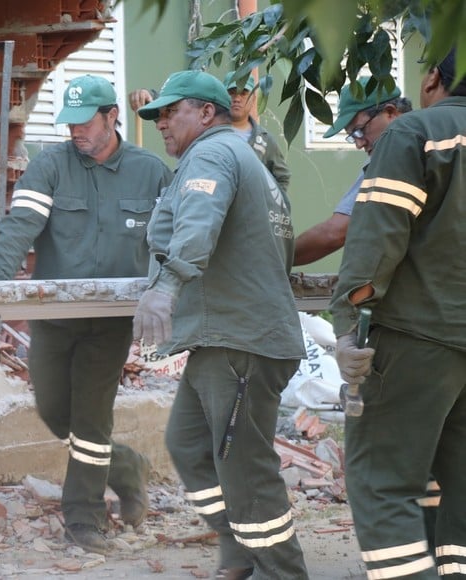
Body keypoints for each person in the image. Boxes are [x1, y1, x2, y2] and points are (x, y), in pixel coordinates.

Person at [0, 74, 174, 555]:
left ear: (112, 117)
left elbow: (175, 242)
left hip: (109, 325)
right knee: (53, 410)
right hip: (56, 318)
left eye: (85, 123)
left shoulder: (151, 174)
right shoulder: (50, 166)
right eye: (68, 125)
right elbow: (18, 226)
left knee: (89, 417)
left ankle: (84, 520)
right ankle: (127, 467)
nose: (75, 133)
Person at [133, 70, 308, 579]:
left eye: (171, 112)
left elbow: (196, 225)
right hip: (229, 338)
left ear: (206, 113)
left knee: (246, 472)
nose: (162, 122)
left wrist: (166, 288)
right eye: (158, 115)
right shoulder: (244, 159)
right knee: (188, 444)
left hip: (238, 343)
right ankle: (238, 552)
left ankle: (283, 572)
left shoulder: (210, 156)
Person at [330, 47, 465, 579]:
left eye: (360, 128)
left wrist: (348, 328)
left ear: (432, 77)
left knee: (380, 482)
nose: (360, 139)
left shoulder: (416, 135)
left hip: (417, 339)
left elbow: (374, 246)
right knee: (457, 485)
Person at [293, 78, 412, 266]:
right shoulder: (432, 140)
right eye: (352, 136)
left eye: (359, 130)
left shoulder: (390, 158)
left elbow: (334, 233)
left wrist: (276, 258)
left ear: (390, 112)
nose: (359, 143)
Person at [129, 71, 290, 192]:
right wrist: (150, 96)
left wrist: (270, 208)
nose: (237, 99)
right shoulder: (205, 130)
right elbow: (178, 112)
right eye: (232, 93)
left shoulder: (264, 140)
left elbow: (282, 177)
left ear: (253, 99)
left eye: (243, 93)